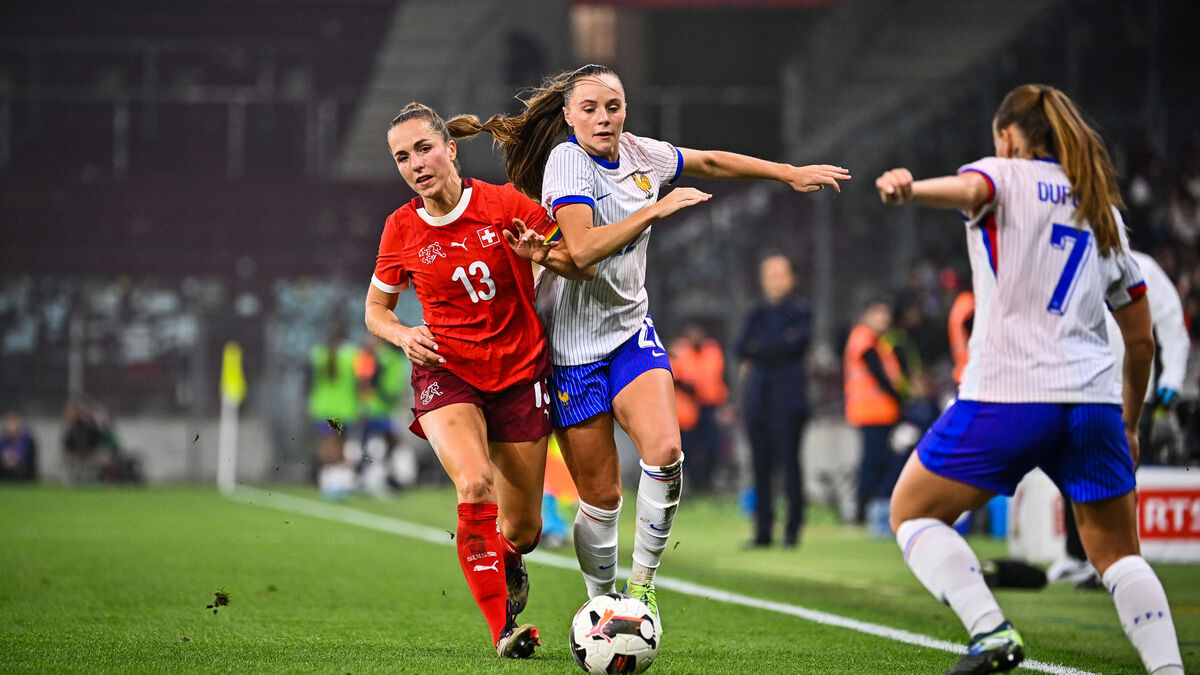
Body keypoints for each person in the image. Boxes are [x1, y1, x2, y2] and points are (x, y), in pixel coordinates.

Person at [454, 63, 850, 621]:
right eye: (589, 108)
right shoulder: (568, 163)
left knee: (665, 453)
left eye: (612, 106)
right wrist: (654, 210)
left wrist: (785, 172)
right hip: (570, 353)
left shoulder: (643, 154)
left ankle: (641, 588)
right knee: (603, 499)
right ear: (568, 115)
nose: (602, 117)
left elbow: (709, 161)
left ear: (625, 110)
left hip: (630, 333)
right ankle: (601, 610)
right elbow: (585, 250)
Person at [876, 84, 1183, 674]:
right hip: (1093, 404)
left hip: (1011, 394)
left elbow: (970, 188)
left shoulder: (1003, 175)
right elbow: (1141, 340)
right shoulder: (1102, 209)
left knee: (911, 513)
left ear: (1009, 136)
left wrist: (911, 190)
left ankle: (990, 632)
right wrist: (1130, 421)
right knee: (1119, 556)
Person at [364, 102, 592, 659]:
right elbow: (375, 310)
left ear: (451, 149)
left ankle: (508, 561)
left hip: (518, 374)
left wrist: (542, 253)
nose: (415, 163)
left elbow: (573, 255)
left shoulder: (504, 204)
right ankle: (501, 630)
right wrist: (402, 336)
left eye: (423, 148)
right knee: (473, 484)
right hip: (448, 374)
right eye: (402, 157)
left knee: (523, 531)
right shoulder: (400, 228)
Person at [1049, 248, 1192, 587]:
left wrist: (1171, 379)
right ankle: (1077, 555)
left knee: (1121, 474)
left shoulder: (1143, 267)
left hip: (1130, 392)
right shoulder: (1074, 259)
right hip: (1080, 385)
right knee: (1074, 470)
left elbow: (1171, 325)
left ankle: (1123, 559)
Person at [736, 254, 813, 548]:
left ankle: (793, 532)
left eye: (780, 274)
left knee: (790, 465)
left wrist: (761, 349)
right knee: (760, 467)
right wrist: (775, 346)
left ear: (791, 278)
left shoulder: (801, 310)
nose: (774, 281)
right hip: (758, 400)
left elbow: (795, 344)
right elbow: (740, 346)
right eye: (769, 275)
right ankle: (763, 532)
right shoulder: (755, 313)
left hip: (789, 400)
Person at [844, 298, 905, 525]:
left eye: (886, 314)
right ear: (866, 315)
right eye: (879, 313)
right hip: (871, 413)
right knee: (872, 462)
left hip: (881, 413)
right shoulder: (863, 340)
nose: (884, 318)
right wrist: (901, 398)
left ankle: (870, 509)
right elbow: (880, 377)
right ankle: (863, 510)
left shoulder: (879, 342)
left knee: (877, 461)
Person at [669, 321, 729, 494]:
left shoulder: (712, 351)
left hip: (709, 406)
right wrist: (690, 387)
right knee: (686, 449)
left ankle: (706, 482)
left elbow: (718, 377)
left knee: (713, 445)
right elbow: (675, 378)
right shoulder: (679, 350)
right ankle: (693, 484)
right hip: (686, 411)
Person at [308, 323, 360, 499]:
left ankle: (327, 482)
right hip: (345, 408)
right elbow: (360, 381)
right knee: (341, 446)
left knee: (327, 445)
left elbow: (310, 379)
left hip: (323, 407)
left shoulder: (319, 354)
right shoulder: (352, 355)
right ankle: (338, 483)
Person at [0, 411, 37, 482]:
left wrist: (14, 460)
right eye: (9, 422)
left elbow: (25, 457)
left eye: (13, 422)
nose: (11, 425)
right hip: (6, 470)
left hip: (23, 472)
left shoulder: (27, 438)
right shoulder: (3, 439)